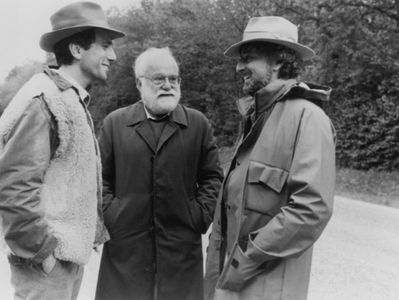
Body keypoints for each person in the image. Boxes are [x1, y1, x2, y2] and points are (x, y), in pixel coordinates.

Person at [0, 2, 124, 299]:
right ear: (76, 49)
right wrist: (43, 253)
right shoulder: (46, 101)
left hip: (60, 259)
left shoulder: (65, 97)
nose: (113, 55)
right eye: (106, 46)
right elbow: (11, 186)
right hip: (47, 263)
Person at [204, 16, 336, 300]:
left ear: (278, 61)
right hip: (230, 284)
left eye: (248, 58)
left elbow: (310, 210)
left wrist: (242, 263)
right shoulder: (255, 116)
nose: (239, 67)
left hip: (268, 289)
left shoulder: (308, 118)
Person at [95, 47, 224, 300]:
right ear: (139, 83)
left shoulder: (197, 124)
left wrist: (198, 215)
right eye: (158, 79)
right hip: (126, 248)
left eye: (173, 79)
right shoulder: (115, 123)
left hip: (180, 247)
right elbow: (100, 180)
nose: (167, 85)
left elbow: (213, 178)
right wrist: (113, 215)